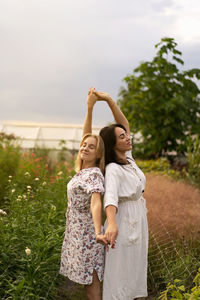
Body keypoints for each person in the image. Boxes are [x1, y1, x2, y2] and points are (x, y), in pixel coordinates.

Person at [86, 90, 148, 300]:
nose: (127, 137)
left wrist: (110, 101)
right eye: (122, 137)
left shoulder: (128, 160)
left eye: (126, 135)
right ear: (113, 145)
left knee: (135, 268)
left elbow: (125, 124)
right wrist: (111, 223)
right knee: (122, 271)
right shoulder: (113, 168)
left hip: (138, 216)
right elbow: (110, 198)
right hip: (124, 218)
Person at [59, 90, 107, 300]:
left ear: (98, 154)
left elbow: (96, 202)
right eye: (83, 146)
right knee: (87, 281)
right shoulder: (83, 169)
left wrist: (98, 231)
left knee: (92, 282)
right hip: (77, 232)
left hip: (88, 234)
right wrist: (89, 107)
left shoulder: (94, 174)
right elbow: (87, 136)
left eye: (91, 147)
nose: (85, 148)